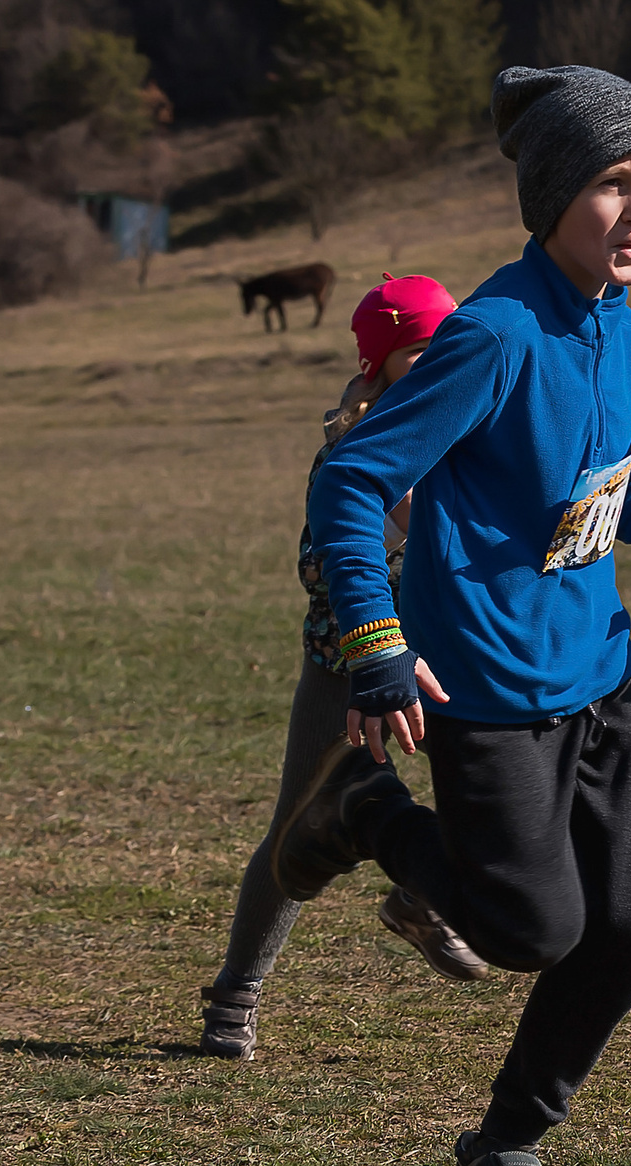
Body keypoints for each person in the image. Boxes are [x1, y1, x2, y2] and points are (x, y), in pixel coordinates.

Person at [287, 66, 631, 1166]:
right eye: (614, 183)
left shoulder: (628, 338)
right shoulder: (495, 333)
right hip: (487, 683)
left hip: (600, 676)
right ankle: (364, 809)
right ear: (556, 192)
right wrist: (374, 639)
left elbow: (622, 488)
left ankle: (501, 1152)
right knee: (528, 929)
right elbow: (356, 477)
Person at [201, 275, 490, 1063]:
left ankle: (420, 891)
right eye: (424, 349)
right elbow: (317, 567)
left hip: (458, 666)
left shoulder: (474, 423)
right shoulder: (352, 451)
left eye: (450, 344)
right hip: (349, 672)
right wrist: (382, 638)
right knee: (297, 829)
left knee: (507, 798)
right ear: (383, 362)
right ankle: (237, 992)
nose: (444, 361)